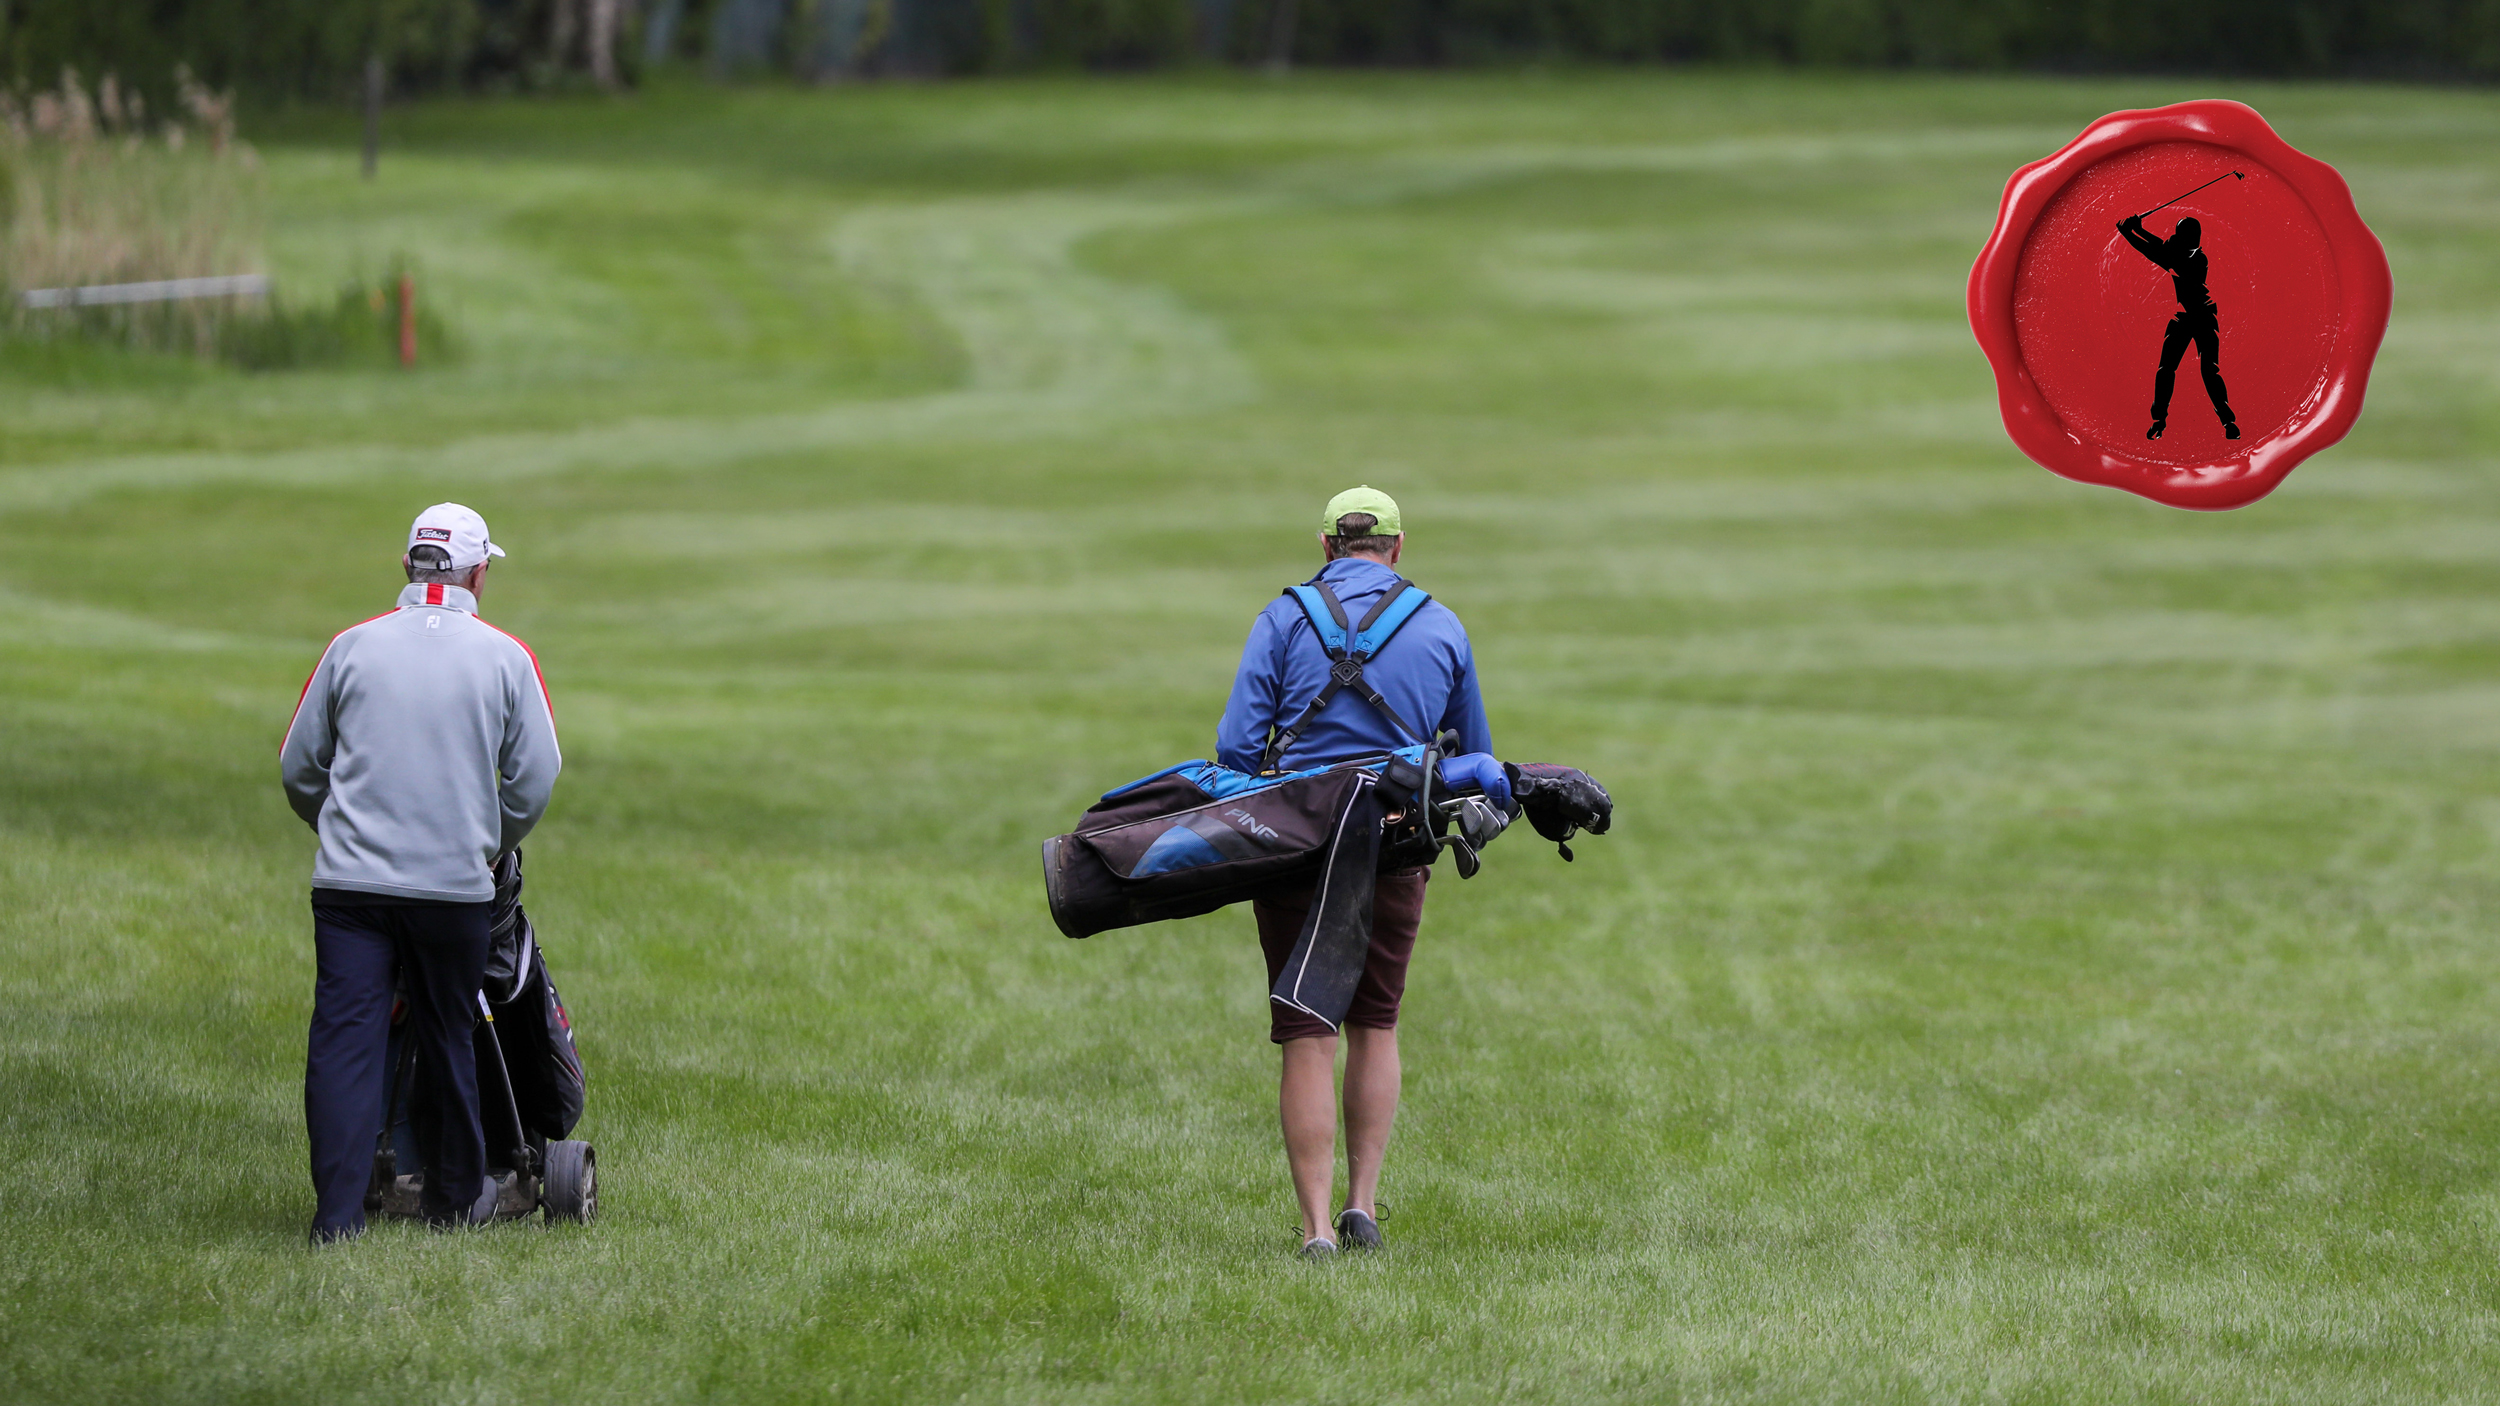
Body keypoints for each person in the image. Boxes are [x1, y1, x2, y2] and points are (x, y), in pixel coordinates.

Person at [1216, 486, 1493, 1258]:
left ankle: (1312, 1229)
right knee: (1376, 1021)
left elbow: (1237, 752)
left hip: (1294, 845)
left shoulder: (1282, 618)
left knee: (1307, 1030)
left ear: (1326, 546)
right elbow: (1470, 755)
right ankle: (1361, 1205)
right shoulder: (1440, 624)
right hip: (1396, 847)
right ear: (1399, 549)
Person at [280, 504, 561, 1242]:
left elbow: (298, 766)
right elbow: (535, 778)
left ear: (408, 566)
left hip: (350, 891)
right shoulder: (506, 656)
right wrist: (490, 841)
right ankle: (454, 1199)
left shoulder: (350, 646)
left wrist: (337, 829)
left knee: (344, 1040)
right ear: (478, 573)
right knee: (449, 1029)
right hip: (451, 889)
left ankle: (337, 1218)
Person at [2116, 213, 2239, 441]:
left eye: (2180, 235)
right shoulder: (2184, 252)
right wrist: (2139, 230)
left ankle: (2228, 421)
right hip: (2186, 316)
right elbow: (2161, 246)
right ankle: (2159, 421)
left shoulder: (2194, 259)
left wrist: (2128, 233)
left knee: (2208, 370)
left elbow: (2155, 252)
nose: (2174, 238)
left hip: (2201, 316)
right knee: (2167, 369)